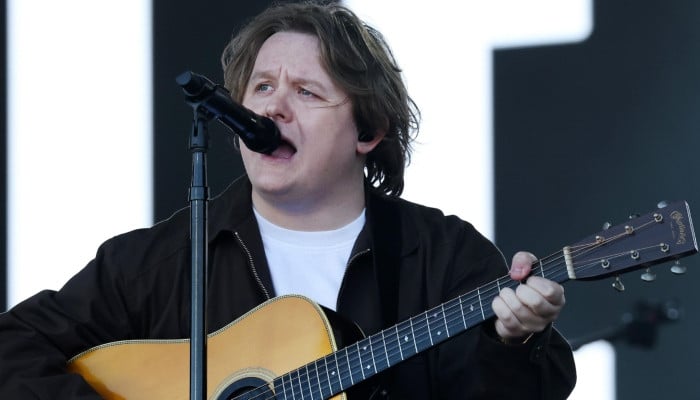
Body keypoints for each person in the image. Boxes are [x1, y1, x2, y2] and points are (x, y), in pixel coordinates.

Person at [0, 1, 576, 398]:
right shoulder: (160, 262)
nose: (272, 108)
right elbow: (12, 347)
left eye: (306, 92)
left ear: (367, 131)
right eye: (262, 87)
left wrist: (516, 340)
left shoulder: (444, 256)